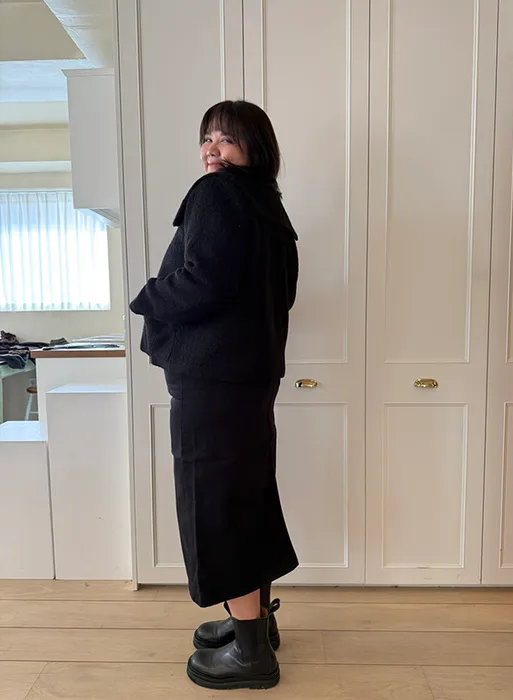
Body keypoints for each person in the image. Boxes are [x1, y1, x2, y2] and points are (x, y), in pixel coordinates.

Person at [129, 99, 299, 690]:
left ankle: (250, 654)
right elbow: (279, 295)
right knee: (246, 497)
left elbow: (203, 281)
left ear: (254, 147)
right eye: (207, 138)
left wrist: (147, 295)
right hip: (250, 380)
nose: (212, 149)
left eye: (226, 138)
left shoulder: (217, 193)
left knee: (218, 506)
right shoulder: (269, 206)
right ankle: (254, 621)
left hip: (213, 382)